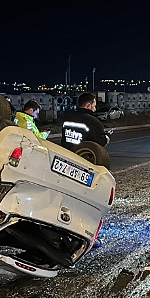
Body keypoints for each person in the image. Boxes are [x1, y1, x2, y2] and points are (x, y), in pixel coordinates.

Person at [60, 92, 112, 249]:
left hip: (67, 162)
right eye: (95, 104)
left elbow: (65, 139)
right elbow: (100, 143)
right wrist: (107, 137)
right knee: (86, 203)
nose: (95, 107)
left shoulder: (67, 118)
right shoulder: (93, 122)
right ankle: (87, 236)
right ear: (89, 105)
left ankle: (65, 231)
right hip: (85, 167)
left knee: (66, 199)